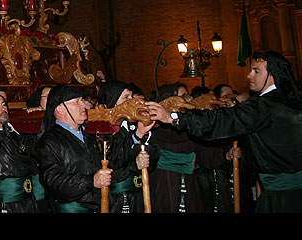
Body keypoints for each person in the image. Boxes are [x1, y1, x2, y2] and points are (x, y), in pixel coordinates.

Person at [147, 50, 302, 213]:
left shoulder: (264, 106)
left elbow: (219, 121)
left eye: (256, 71)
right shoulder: (291, 101)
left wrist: (174, 118)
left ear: (273, 75)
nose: (249, 75)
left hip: (283, 198)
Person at [146, 82, 243, 213]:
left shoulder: (190, 128)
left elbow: (204, 155)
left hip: (190, 184)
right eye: (182, 96)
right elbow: (176, 136)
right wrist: (179, 121)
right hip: (164, 184)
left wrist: (227, 155)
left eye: (187, 95)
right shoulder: (158, 129)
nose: (188, 100)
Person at [37, 84, 112, 213]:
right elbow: (52, 180)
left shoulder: (91, 135)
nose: (84, 105)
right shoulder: (50, 140)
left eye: (82, 100)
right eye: (76, 102)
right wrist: (91, 181)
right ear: (60, 109)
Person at [95, 79, 157, 213]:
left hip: (139, 192)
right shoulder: (103, 131)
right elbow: (114, 162)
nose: (131, 101)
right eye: (125, 98)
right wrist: (137, 137)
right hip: (118, 198)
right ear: (113, 102)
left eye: (131, 96)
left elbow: (154, 154)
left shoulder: (133, 124)